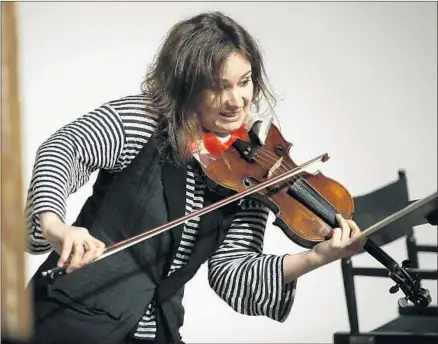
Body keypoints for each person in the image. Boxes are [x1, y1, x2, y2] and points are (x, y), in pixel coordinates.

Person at [25, 11, 365, 344]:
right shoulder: (143, 121)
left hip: (157, 330)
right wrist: (55, 227)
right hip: (68, 321)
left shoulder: (251, 171)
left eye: (244, 82)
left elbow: (232, 273)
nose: (236, 101)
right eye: (219, 88)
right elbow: (62, 151)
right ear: (186, 86)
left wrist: (315, 258)